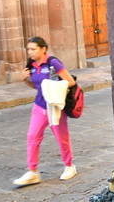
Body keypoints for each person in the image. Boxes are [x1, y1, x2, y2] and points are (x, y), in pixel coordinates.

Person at [13, 37, 78, 185]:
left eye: (33, 49)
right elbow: (37, 87)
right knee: (32, 136)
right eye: (28, 49)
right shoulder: (31, 65)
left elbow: (70, 82)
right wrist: (25, 80)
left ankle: (69, 166)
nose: (30, 52)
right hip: (39, 105)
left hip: (54, 106)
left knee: (61, 137)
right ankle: (33, 171)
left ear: (43, 49)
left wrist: (52, 86)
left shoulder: (53, 63)